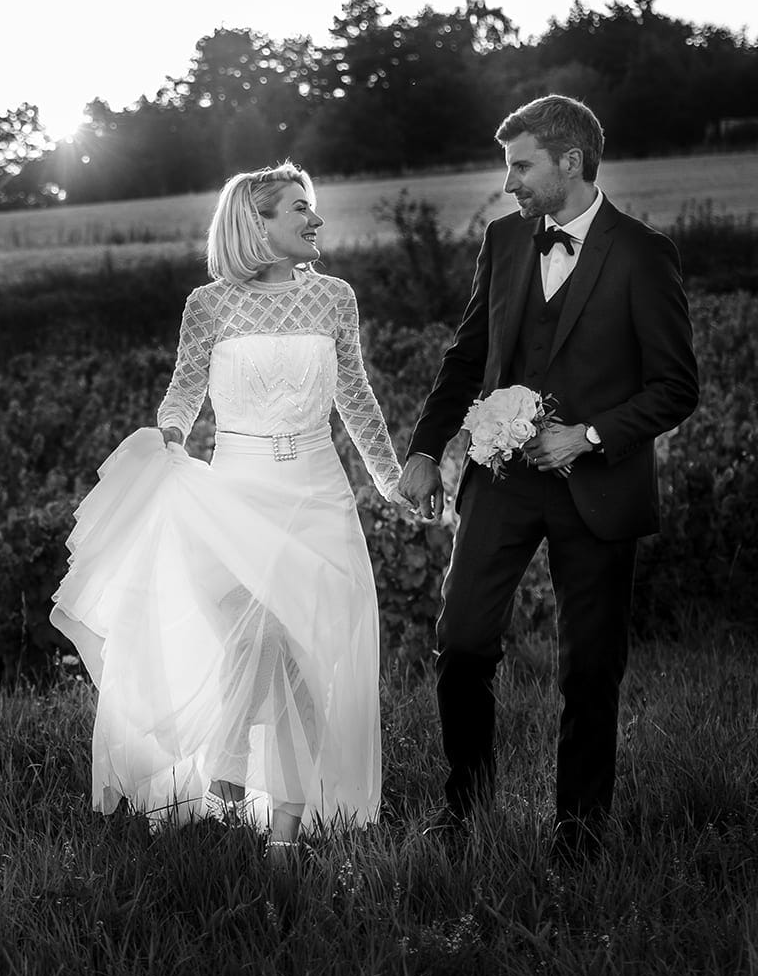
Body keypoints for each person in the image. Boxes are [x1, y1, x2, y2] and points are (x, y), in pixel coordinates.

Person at [51, 163, 407, 859]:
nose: (316, 220)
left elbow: (356, 399)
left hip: (318, 492)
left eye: (315, 208)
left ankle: (285, 837)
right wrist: (173, 436)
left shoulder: (335, 297)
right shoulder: (208, 305)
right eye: (300, 208)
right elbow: (183, 390)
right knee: (260, 638)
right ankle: (227, 773)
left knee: (311, 653)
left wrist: (391, 482)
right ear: (257, 221)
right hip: (237, 492)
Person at [398, 94, 698, 859]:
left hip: (597, 489)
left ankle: (580, 836)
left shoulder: (642, 252)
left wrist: (590, 436)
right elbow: (466, 358)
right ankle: (465, 811)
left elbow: (675, 386)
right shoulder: (503, 242)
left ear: (571, 162)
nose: (509, 182)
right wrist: (429, 449)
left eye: (521, 164)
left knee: (589, 669)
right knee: (462, 643)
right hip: (498, 483)